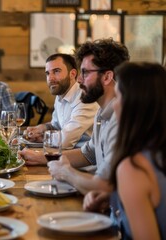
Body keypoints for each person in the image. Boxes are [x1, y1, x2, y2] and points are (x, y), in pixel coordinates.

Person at [83, 62, 166, 239]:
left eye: (118, 97)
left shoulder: (134, 167)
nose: (114, 105)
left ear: (134, 104)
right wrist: (115, 197)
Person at [47, 38, 130, 195]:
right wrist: (50, 159)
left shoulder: (121, 119)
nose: (79, 79)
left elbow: (106, 186)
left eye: (85, 72)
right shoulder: (101, 112)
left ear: (107, 77)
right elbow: (88, 153)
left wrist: (66, 172)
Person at [20, 53, 99, 165]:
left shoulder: (84, 97)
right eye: (48, 73)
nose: (50, 78)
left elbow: (65, 141)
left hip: (84, 165)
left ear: (72, 74)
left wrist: (45, 139)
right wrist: (42, 129)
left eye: (56, 71)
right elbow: (56, 125)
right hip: (62, 158)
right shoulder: (60, 94)